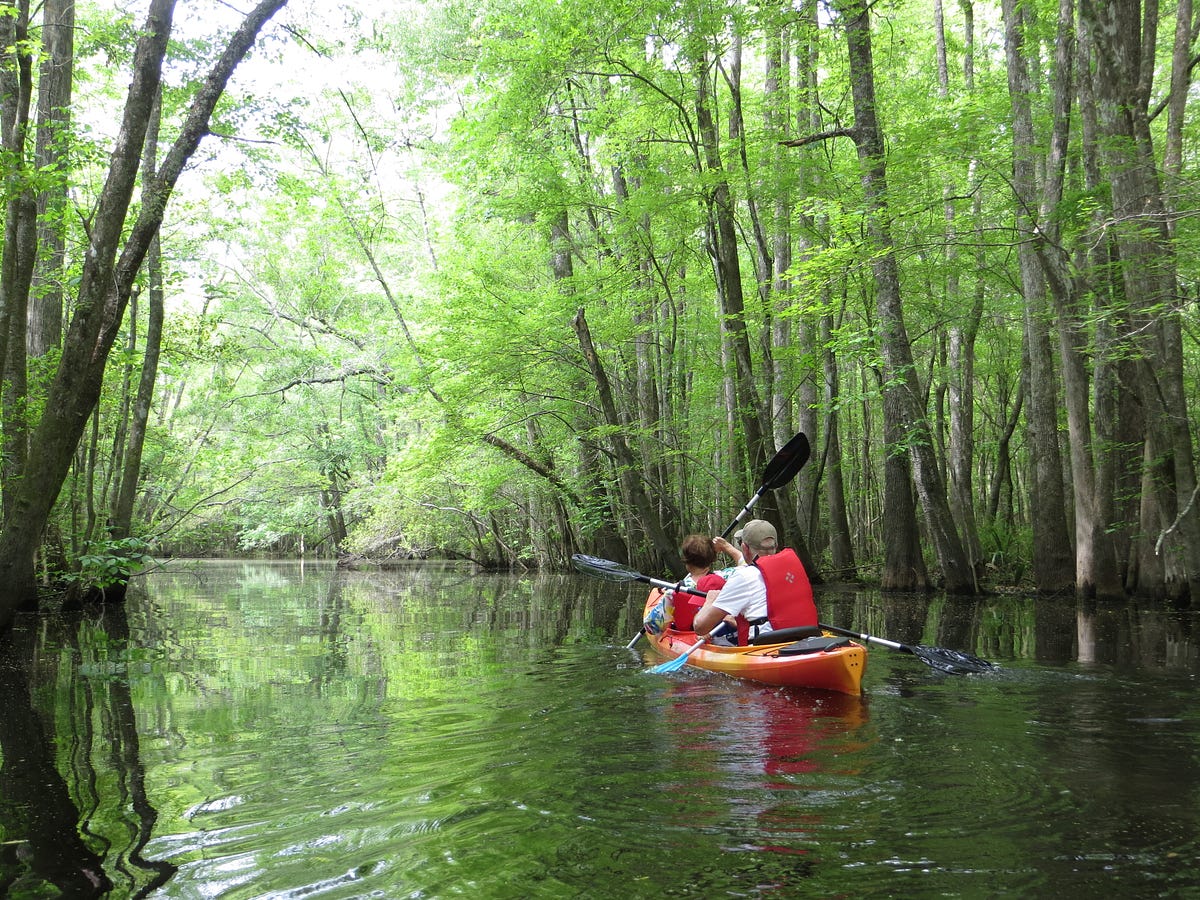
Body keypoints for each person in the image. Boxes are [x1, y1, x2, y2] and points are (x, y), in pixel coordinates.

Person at [693, 519, 818, 645]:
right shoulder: (793, 568)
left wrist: (709, 601)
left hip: (765, 648)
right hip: (806, 639)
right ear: (775, 546)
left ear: (744, 548)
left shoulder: (743, 577)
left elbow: (700, 627)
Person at [670, 533, 730, 631]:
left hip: (691, 635)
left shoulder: (674, 590)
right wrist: (727, 547)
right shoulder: (726, 576)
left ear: (686, 561)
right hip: (717, 632)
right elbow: (744, 564)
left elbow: (652, 626)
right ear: (712, 558)